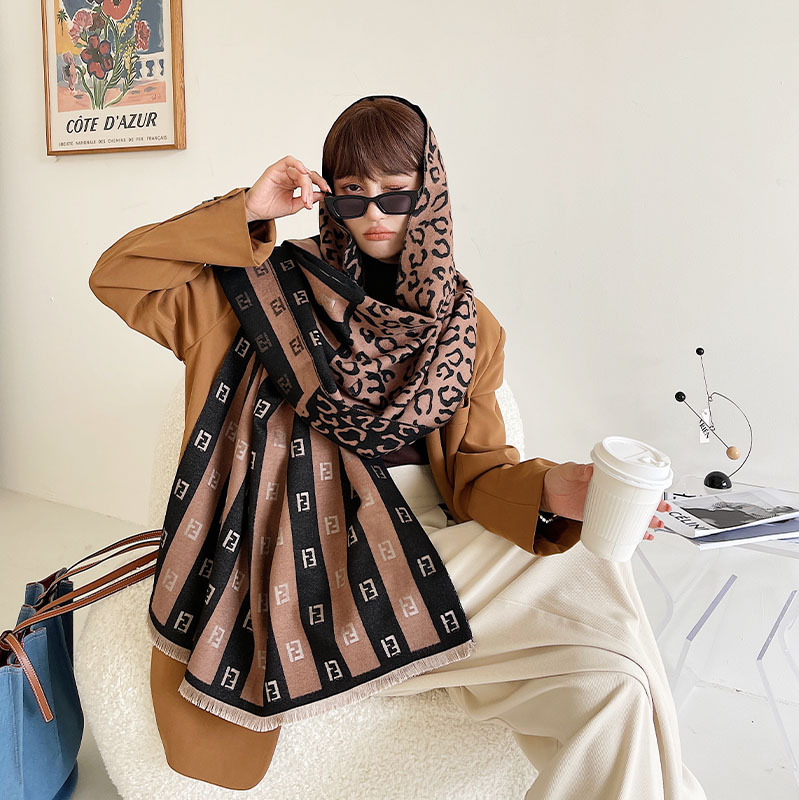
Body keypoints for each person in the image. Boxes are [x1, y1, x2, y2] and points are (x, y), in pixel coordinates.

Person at [89, 94, 706, 799]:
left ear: (429, 193)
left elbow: (476, 475)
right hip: (301, 563)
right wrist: (249, 210)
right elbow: (118, 276)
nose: (374, 213)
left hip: (436, 554)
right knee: (591, 571)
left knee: (616, 683)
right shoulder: (251, 294)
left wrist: (550, 491)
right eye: (352, 193)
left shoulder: (468, 328)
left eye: (395, 192)